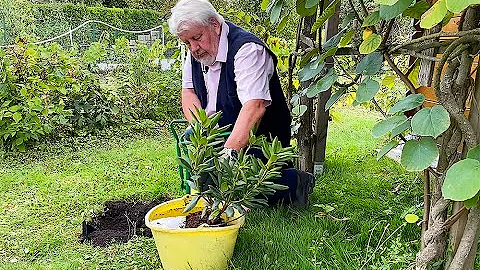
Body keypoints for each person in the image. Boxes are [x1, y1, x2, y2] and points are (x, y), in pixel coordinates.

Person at [168, 0, 314, 206]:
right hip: (220, 131)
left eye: (196, 38)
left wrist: (227, 156)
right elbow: (188, 92)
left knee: (241, 187)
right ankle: (217, 186)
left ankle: (295, 182)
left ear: (215, 25)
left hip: (260, 136)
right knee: (204, 161)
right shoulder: (197, 52)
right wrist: (201, 129)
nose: (193, 48)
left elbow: (255, 106)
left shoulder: (247, 50)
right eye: (187, 43)